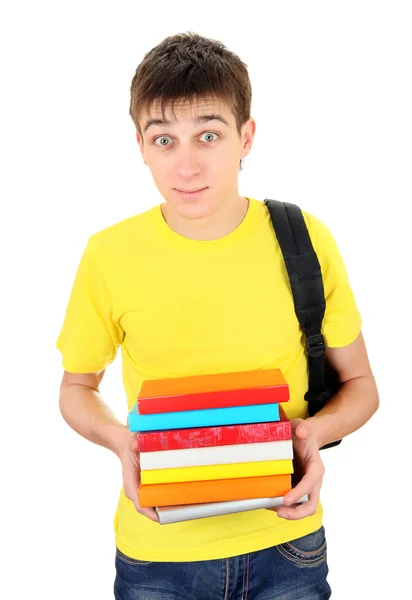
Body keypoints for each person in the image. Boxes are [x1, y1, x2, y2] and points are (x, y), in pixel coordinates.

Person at [56, 32, 379, 600]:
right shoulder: (108, 255)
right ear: (140, 145)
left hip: (287, 545)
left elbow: (361, 385)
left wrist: (313, 435)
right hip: (158, 556)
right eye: (164, 140)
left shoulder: (303, 239)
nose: (187, 165)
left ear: (246, 136)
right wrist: (119, 442)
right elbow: (77, 386)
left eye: (209, 134)